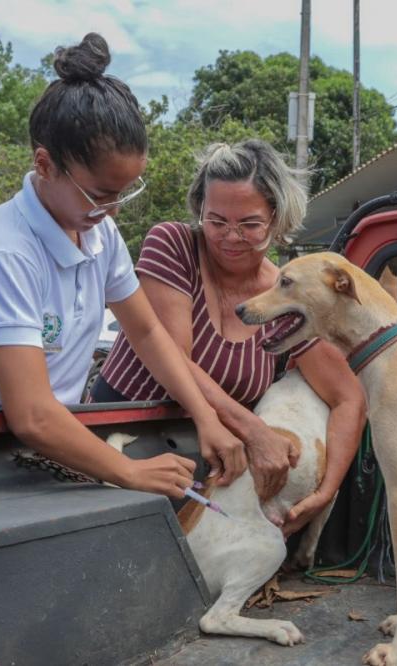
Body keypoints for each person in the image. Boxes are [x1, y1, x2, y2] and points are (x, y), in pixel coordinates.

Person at [0, 34, 243, 501]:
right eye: (100, 195)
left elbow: (146, 333)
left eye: (123, 193)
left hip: (38, 447)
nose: (113, 210)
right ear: (45, 165)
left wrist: (205, 416)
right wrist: (129, 472)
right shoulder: (6, 252)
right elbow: (32, 415)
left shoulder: (99, 233)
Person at [90, 139, 367, 536]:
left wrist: (324, 494)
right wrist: (254, 431)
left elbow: (347, 398)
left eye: (249, 225)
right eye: (216, 221)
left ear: (277, 218)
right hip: (120, 446)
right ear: (199, 209)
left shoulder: (287, 292)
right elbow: (173, 356)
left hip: (212, 471)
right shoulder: (173, 245)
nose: (230, 237)